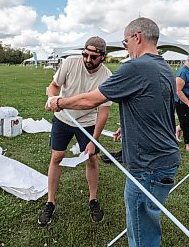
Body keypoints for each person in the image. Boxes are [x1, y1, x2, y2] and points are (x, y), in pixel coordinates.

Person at [47, 17, 180, 246]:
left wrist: (58, 102)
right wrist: (125, 128)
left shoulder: (135, 66)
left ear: (136, 37)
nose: (126, 46)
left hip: (147, 165)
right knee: (147, 224)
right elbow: (156, 107)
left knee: (140, 234)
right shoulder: (165, 68)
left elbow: (91, 102)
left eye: (126, 41)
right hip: (166, 160)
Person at [38, 36, 112, 227]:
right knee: (57, 157)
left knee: (91, 158)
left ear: (103, 57)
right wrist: (51, 99)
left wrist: (93, 140)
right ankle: (50, 202)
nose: (88, 60)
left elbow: (103, 112)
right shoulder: (70, 62)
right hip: (63, 119)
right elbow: (53, 87)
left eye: (93, 57)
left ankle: (93, 199)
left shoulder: (107, 77)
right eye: (85, 55)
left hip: (87, 122)